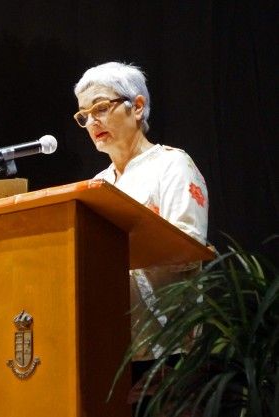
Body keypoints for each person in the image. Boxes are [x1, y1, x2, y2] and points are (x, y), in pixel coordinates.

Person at [73, 62, 209, 411]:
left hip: (168, 350)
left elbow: (189, 251)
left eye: (101, 108)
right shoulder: (97, 185)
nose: (93, 122)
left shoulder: (172, 165)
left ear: (137, 107)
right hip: (111, 351)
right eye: (84, 115)